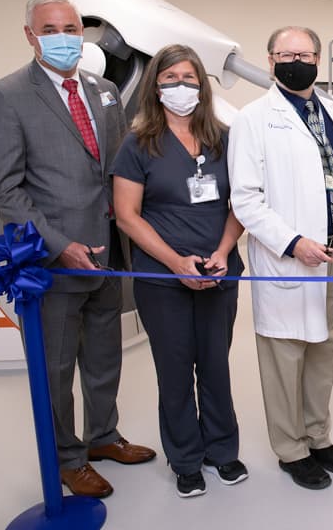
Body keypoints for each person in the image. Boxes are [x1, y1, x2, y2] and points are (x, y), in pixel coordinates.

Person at [0, 0, 155, 499]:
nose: (62, 39)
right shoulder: (4, 96)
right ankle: (67, 458)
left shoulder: (103, 90)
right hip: (53, 260)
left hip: (107, 252)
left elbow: (119, 169)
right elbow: (4, 189)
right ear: (31, 35)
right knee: (56, 367)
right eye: (50, 30)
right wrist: (58, 245)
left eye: (71, 29)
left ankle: (103, 437)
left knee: (104, 354)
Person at [228, 26, 333, 491]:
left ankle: (318, 436)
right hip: (292, 256)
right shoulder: (253, 118)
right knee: (285, 354)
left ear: (316, 59)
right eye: (286, 53)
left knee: (325, 349)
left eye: (306, 53)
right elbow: (245, 199)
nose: (297, 60)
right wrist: (292, 242)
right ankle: (291, 448)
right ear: (270, 61)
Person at [112, 44, 246, 498]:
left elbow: (242, 202)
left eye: (189, 78)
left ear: (202, 85)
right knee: (174, 368)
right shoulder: (139, 143)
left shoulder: (224, 139)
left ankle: (222, 451)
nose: (180, 87)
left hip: (219, 271)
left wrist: (225, 251)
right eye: (169, 79)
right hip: (161, 277)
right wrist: (175, 262)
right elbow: (127, 215)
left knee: (215, 365)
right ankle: (186, 459)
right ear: (155, 87)